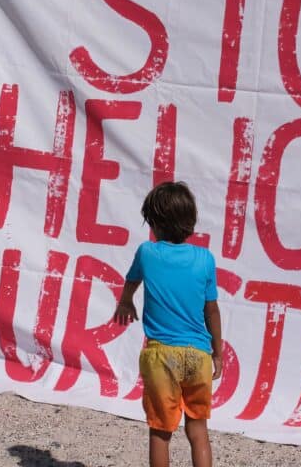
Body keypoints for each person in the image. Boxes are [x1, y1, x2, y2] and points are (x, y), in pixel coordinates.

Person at [114, 182, 223, 467]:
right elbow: (212, 311)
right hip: (198, 355)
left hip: (161, 355)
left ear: (155, 223)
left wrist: (125, 302)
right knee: (198, 430)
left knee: (160, 432)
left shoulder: (147, 253)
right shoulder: (205, 259)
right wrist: (218, 353)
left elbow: (132, 281)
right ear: (190, 222)